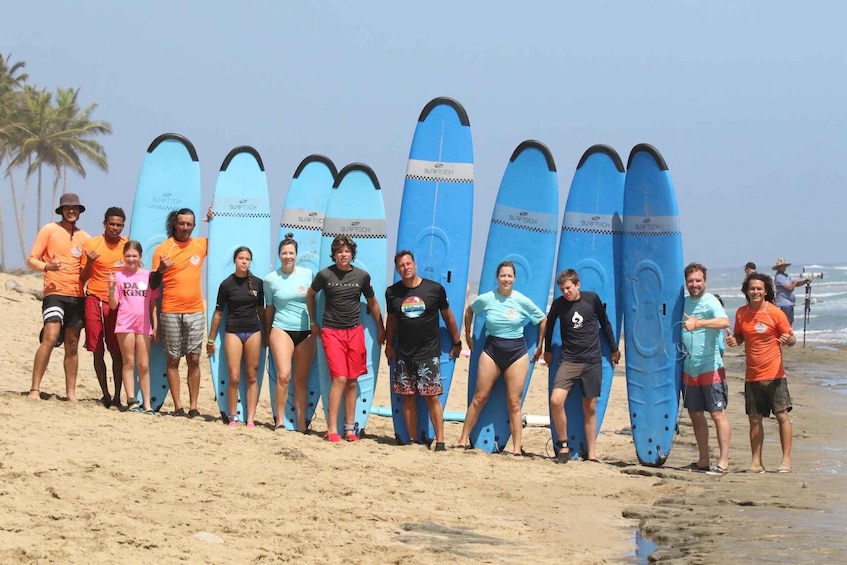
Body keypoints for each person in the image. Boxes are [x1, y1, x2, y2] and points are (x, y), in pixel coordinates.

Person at [456, 260, 546, 456]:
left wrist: (540, 346)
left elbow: (542, 319)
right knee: (479, 397)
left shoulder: (521, 300)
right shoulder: (487, 298)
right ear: (497, 278)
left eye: (510, 276)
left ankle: (516, 449)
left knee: (514, 402)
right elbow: (470, 310)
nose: (506, 279)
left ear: (514, 278)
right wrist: (468, 334)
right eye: (503, 275)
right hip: (491, 351)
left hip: (517, 354)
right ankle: (462, 440)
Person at [306, 235, 385, 443]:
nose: (343, 254)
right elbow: (310, 295)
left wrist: (381, 328)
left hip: (355, 331)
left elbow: (373, 303)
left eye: (347, 251)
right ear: (334, 254)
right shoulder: (325, 275)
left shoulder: (362, 276)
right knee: (339, 378)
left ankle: (350, 429)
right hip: (331, 331)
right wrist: (313, 322)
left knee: (352, 380)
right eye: (340, 251)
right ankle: (332, 428)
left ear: (352, 254)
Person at [385, 250, 462, 452]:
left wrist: (457, 341)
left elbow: (448, 317)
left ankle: (441, 440)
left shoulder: (434, 289)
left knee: (432, 396)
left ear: (415, 264)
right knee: (408, 396)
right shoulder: (392, 292)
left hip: (428, 353)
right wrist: (389, 344)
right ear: (397, 269)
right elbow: (391, 321)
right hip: (404, 353)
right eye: (401, 265)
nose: (406, 268)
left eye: (408, 263)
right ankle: (412, 441)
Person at [542, 269, 620, 463]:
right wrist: (548, 349)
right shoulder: (559, 304)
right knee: (556, 401)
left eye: (568, 288)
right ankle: (564, 446)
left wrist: (613, 348)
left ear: (577, 285)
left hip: (592, 361)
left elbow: (605, 323)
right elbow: (549, 324)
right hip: (569, 360)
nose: (565, 292)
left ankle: (592, 453)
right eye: (562, 289)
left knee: (590, 406)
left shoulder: (591, 299)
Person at [726, 273, 795, 473]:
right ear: (746, 291)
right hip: (752, 376)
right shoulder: (741, 313)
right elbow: (740, 335)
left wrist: (788, 341)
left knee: (782, 416)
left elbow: (791, 338)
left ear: (765, 291)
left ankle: (786, 461)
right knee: (754, 420)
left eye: (759, 289)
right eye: (752, 288)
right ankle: (756, 463)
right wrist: (734, 341)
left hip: (775, 375)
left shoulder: (775, 312)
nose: (755, 292)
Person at [26, 193, 91, 402]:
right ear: (62, 210)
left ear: (79, 211)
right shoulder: (49, 230)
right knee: (51, 337)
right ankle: (34, 389)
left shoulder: (85, 238)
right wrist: (47, 266)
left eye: (75, 208)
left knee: (72, 344)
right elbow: (31, 259)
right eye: (67, 208)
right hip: (54, 293)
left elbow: (88, 271)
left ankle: (71, 393)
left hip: (77, 296)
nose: (71, 211)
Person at [151, 208, 208, 417]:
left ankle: (193, 407)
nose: (185, 228)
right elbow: (152, 284)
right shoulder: (163, 249)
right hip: (171, 311)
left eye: (189, 224)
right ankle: (178, 406)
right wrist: (160, 270)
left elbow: (224, 235)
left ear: (194, 225)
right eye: (182, 223)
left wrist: (214, 217)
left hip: (195, 311)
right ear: (175, 224)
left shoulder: (201, 245)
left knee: (194, 359)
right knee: (173, 360)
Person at [679, 263, 731, 475]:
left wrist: (699, 324)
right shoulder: (682, 303)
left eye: (698, 280)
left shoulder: (709, 301)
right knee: (696, 415)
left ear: (705, 282)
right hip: (689, 369)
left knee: (717, 414)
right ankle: (703, 460)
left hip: (710, 367)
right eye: (690, 281)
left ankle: (723, 462)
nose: (694, 284)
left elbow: (724, 321)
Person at [207, 246, 265, 428]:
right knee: (234, 376)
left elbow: (261, 310)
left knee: (252, 375)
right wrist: (210, 339)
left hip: (253, 331)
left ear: (250, 262)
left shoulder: (258, 283)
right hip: (233, 331)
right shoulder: (226, 285)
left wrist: (268, 333)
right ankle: (232, 416)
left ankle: (250, 419)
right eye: (241, 258)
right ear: (235, 260)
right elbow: (218, 314)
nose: (244, 261)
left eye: (247, 259)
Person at [263, 233, 316, 432]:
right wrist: (267, 333)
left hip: (306, 332)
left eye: (291, 253)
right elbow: (269, 308)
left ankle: (302, 425)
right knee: (284, 375)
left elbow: (315, 301)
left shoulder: (307, 274)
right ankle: (280, 421)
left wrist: (315, 325)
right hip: (281, 329)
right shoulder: (270, 280)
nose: (288, 256)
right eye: (284, 253)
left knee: (301, 380)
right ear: (279, 255)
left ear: (296, 254)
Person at [80, 207, 128, 408]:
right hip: (94, 300)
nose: (115, 228)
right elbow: (82, 278)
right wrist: (90, 263)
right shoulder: (92, 244)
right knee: (97, 350)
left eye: (119, 225)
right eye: (112, 224)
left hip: (117, 304)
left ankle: (118, 396)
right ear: (104, 224)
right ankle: (105, 395)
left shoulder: (127, 245)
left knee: (117, 352)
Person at [108, 240, 160, 414]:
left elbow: (153, 304)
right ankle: (131, 400)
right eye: (128, 256)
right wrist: (111, 289)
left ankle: (147, 404)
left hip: (144, 325)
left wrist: (156, 325)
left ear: (140, 256)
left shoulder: (148, 276)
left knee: (144, 365)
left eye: (134, 256)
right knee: (128, 362)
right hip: (125, 324)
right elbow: (113, 305)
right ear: (124, 257)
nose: (131, 259)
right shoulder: (118, 276)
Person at [772, 258, 807, 326]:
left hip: (789, 303)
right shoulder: (779, 277)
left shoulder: (786, 276)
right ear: (778, 267)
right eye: (782, 266)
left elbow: (795, 284)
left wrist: (805, 281)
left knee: (790, 321)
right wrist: (795, 282)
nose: (784, 267)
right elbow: (789, 287)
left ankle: (789, 334)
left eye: (784, 265)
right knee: (786, 322)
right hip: (784, 303)